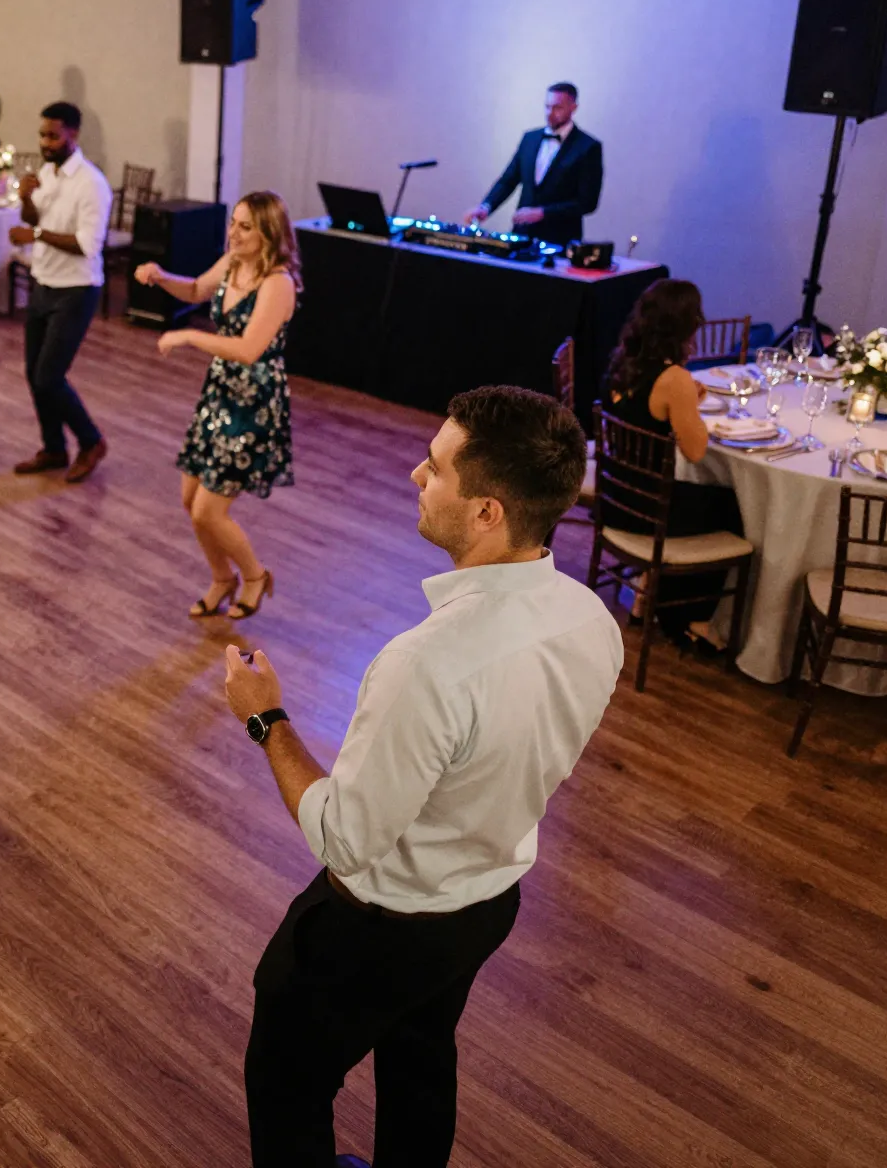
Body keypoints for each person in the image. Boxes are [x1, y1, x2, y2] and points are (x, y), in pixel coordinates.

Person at [227, 384, 622, 1168]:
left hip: (381, 926)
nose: (416, 474)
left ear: (487, 512)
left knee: (287, 1082)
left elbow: (347, 839)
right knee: (421, 1060)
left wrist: (266, 720)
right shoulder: (591, 621)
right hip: (486, 903)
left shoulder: (427, 663)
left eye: (436, 467)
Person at [139, 191, 299, 620]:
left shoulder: (278, 283)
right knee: (191, 500)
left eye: (245, 226)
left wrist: (188, 336)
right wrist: (159, 276)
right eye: (234, 222)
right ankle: (221, 577)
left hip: (252, 405)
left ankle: (254, 575)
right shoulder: (233, 263)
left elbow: (248, 349)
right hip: (219, 395)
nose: (234, 232)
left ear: (269, 233)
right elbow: (194, 288)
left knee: (211, 508)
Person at [600, 278, 744, 649]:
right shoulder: (675, 379)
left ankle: (649, 595)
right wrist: (688, 404)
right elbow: (696, 451)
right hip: (648, 511)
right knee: (732, 507)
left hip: (614, 496)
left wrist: (682, 401)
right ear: (687, 325)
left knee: (707, 499)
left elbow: (646, 410)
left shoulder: (623, 359)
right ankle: (690, 617)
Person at [10, 101, 111, 483]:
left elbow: (88, 244)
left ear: (74, 134)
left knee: (49, 376)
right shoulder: (47, 174)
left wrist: (34, 234)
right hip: (43, 281)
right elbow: (34, 219)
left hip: (76, 289)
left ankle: (91, 441)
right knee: (33, 373)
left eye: (53, 135)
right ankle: (53, 447)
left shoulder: (92, 184)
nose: (45, 142)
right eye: (42, 134)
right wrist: (25, 198)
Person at [464, 82, 603, 246]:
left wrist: (543, 213)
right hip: (521, 235)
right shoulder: (530, 139)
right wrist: (486, 206)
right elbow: (508, 180)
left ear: (574, 107)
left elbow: (587, 202)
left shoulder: (588, 147)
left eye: (557, 108)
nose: (550, 113)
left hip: (560, 240)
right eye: (547, 106)